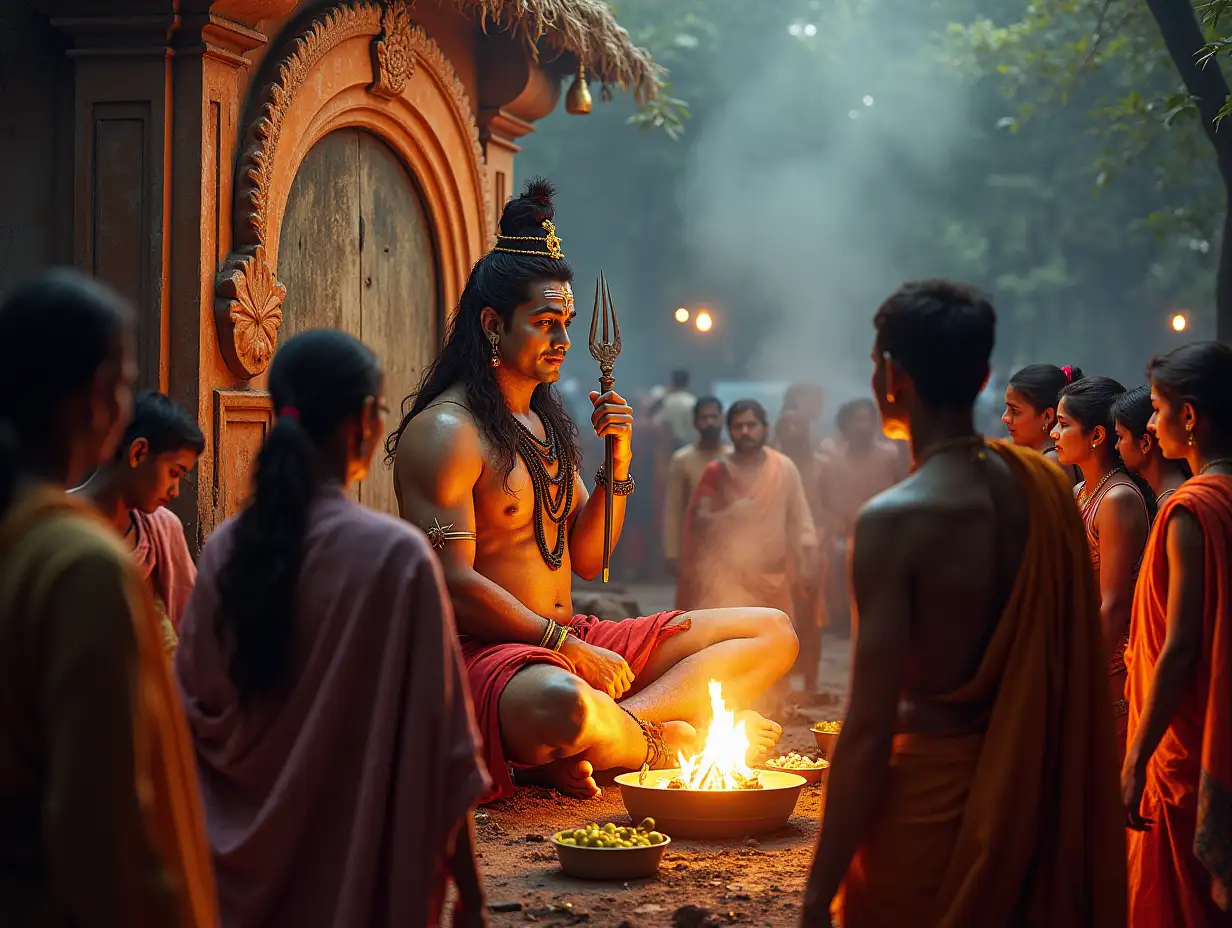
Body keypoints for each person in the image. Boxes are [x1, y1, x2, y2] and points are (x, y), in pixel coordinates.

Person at [387, 178, 796, 801]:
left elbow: (590, 557)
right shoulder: (446, 431)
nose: (564, 341)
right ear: (493, 325)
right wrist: (563, 647)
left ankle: (624, 730)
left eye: (568, 323)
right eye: (546, 323)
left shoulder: (543, 423)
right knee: (562, 706)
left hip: (572, 637)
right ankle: (656, 739)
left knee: (772, 632)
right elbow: (452, 582)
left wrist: (617, 458)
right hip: (488, 655)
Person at [802, 279, 1124, 927]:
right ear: (982, 377)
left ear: (890, 377)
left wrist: (818, 892)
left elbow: (866, 731)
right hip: (1033, 800)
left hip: (926, 810)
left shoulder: (893, 520)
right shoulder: (1041, 489)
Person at [176, 329, 489, 927]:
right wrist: (471, 902)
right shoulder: (395, 558)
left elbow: (189, 717)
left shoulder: (224, 550)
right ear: (367, 422)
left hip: (228, 884)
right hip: (352, 872)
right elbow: (446, 749)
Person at [0, 269, 216, 927]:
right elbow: (108, 828)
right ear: (98, 397)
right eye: (121, 383)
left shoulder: (30, 537)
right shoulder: (82, 566)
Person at [1123, 341, 1232, 926]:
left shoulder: (1193, 507)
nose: (1149, 421)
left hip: (1185, 746)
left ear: (1189, 416)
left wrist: (1137, 758)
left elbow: (1181, 645)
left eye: (1158, 407)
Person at [1052, 375, 1151, 760]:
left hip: (1110, 670)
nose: (1055, 433)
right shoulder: (1080, 493)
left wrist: (1079, 675)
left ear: (1096, 435)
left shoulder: (1117, 499)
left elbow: (1113, 605)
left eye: (1063, 424)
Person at [75, 389, 205, 655]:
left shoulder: (163, 529)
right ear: (138, 452)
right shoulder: (58, 521)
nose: (175, 490)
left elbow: (195, 625)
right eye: (174, 473)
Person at [677, 399, 818, 620]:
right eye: (737, 426)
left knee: (777, 647)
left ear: (765, 428)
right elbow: (700, 521)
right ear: (729, 431)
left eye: (751, 425)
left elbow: (800, 518)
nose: (745, 432)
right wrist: (732, 513)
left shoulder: (783, 467)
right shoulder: (717, 471)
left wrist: (807, 559)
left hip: (775, 578)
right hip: (731, 583)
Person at [815, 399, 902, 637]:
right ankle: (842, 622)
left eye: (867, 420)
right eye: (857, 420)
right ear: (844, 426)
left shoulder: (889, 456)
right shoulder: (832, 458)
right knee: (835, 564)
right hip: (843, 533)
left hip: (881, 533)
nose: (862, 426)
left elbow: (900, 489)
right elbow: (824, 498)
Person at [774, 401, 826, 697]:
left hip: (813, 545)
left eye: (797, 426)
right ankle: (782, 683)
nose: (792, 431)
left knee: (811, 617)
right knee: (783, 615)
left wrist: (815, 547)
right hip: (778, 550)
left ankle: (811, 683)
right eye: (786, 426)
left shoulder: (820, 464)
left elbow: (828, 507)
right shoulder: (771, 464)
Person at [663, 396, 730, 578]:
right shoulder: (682, 459)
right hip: (695, 544)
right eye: (704, 418)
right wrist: (672, 552)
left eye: (714, 417)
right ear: (695, 422)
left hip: (730, 543)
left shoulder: (733, 456)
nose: (710, 422)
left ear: (722, 419)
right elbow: (673, 509)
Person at [1113, 383, 1191, 510]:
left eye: (1120, 436)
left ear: (1145, 442)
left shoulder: (1172, 505)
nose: (1116, 447)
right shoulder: (1166, 497)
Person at [1002, 363, 1083, 483]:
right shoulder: (1043, 457)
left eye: (1015, 410)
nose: (1005, 418)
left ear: (1047, 416)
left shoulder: (1050, 463)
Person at [655, 368, 698, 450]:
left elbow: (663, 424)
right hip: (689, 445)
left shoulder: (667, 401)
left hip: (670, 445)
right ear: (687, 382)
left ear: (672, 381)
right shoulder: (692, 401)